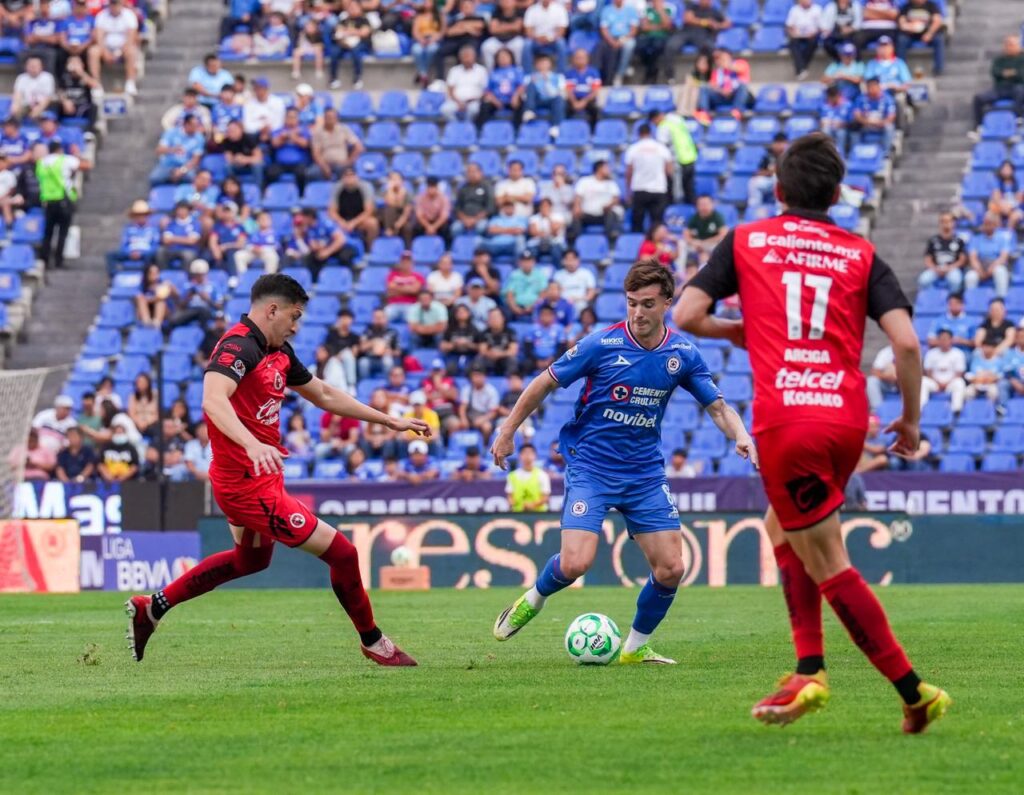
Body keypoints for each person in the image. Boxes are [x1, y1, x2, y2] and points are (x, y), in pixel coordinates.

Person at [674, 132, 951, 732]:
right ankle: (808, 667)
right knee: (784, 525)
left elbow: (685, 315)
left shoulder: (748, 240)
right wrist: (910, 419)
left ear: (778, 189)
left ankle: (913, 690)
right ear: (836, 194)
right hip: (846, 415)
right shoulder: (859, 251)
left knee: (827, 557)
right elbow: (905, 343)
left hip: (789, 418)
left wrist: (738, 332)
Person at [125, 273, 430, 667]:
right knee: (343, 553)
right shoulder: (238, 346)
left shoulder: (278, 351)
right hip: (246, 485)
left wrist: (387, 420)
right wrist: (251, 444)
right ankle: (373, 641)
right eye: (294, 315)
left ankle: (152, 607)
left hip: (259, 476)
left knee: (250, 561)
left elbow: (322, 393)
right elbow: (213, 401)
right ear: (272, 309)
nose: (296, 325)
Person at [493, 259, 754, 664]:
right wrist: (508, 430)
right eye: (631, 303)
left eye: (648, 304)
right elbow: (545, 380)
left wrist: (740, 435)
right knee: (576, 563)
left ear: (668, 302)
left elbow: (718, 407)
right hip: (592, 467)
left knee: (671, 568)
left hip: (644, 472)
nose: (637, 313)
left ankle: (634, 648)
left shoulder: (682, 353)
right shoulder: (602, 344)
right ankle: (534, 598)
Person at [37, 140, 82, 270]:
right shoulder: (64, 160)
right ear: (60, 150)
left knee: (48, 232)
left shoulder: (41, 163)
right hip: (63, 200)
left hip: (47, 201)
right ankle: (58, 260)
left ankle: (45, 259)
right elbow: (83, 165)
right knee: (62, 232)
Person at [624, 122, 673, 233]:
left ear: (639, 134)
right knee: (657, 224)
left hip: (639, 188)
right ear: (651, 133)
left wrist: (628, 191)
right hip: (658, 188)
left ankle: (637, 245)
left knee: (637, 222)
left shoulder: (633, 149)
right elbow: (669, 170)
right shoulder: (661, 148)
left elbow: (629, 172)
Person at [90, 0, 139, 95]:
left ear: (121, 4)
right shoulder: (102, 15)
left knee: (132, 51)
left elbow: (131, 38)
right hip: (106, 47)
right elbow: (99, 37)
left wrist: (119, 52)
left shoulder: (129, 15)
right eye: (112, 3)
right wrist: (105, 52)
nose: (114, 6)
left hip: (123, 48)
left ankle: (130, 83)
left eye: (116, 3)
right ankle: (96, 85)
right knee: (93, 51)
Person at [972, 35, 1024, 126]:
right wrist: (1013, 73)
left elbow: (1020, 75)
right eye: (1007, 44)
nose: (1009, 47)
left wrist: (1005, 73)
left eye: (1012, 44)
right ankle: (979, 126)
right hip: (1000, 88)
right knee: (979, 98)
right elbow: (995, 73)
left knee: (1021, 92)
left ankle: (1018, 118)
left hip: (1017, 87)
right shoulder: (999, 60)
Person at [651, 108, 698, 206]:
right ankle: (691, 210)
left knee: (676, 192)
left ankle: (676, 213)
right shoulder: (676, 119)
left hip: (678, 162)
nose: (655, 124)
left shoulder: (663, 127)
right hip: (690, 158)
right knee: (690, 190)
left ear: (656, 118)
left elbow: (662, 148)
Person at [572, 159, 622, 241]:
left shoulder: (611, 183)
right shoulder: (584, 181)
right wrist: (577, 207)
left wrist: (609, 205)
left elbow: (616, 199)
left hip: (604, 214)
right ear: (599, 169)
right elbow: (578, 197)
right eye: (606, 168)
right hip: (587, 213)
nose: (609, 170)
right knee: (576, 216)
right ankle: (578, 242)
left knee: (611, 215)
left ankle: (606, 242)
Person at [477, 46, 525, 129]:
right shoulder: (493, 73)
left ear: (511, 57)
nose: (503, 59)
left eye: (505, 56)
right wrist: (494, 100)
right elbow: (487, 90)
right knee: (484, 105)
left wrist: (516, 97)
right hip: (497, 101)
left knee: (521, 104)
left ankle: (517, 131)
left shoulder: (517, 70)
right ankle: (481, 131)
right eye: (500, 57)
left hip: (512, 99)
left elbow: (521, 86)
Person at [918, 211, 966, 292]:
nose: (945, 224)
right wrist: (935, 269)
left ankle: (952, 301)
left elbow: (962, 260)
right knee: (924, 280)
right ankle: (931, 301)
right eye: (943, 221)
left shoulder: (959, 240)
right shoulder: (933, 240)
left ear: (953, 223)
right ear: (939, 223)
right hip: (936, 268)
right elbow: (927, 259)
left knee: (955, 280)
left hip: (952, 268)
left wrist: (950, 268)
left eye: (948, 221)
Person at [965, 212, 1011, 298]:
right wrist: (979, 270)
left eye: (989, 223)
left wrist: (992, 267)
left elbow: (1003, 257)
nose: (987, 226)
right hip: (980, 266)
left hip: (996, 265)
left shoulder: (1002, 238)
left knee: (1000, 272)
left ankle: (1001, 299)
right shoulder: (976, 239)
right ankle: (972, 301)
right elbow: (973, 258)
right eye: (985, 224)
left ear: (995, 224)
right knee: (970, 277)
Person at [329, 0, 372, 90]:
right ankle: (333, 78)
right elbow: (338, 32)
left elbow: (364, 33)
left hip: (360, 43)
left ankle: (357, 78)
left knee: (356, 52)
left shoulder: (364, 20)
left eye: (354, 7)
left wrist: (349, 32)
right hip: (344, 43)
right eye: (350, 7)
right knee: (334, 52)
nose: (352, 9)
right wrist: (345, 37)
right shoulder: (344, 20)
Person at [594, 0, 639, 86]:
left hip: (625, 37)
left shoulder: (631, 10)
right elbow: (604, 29)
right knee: (601, 47)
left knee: (630, 45)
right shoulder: (606, 10)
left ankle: (620, 74)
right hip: (611, 37)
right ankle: (598, 77)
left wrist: (622, 40)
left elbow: (634, 30)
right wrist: (612, 41)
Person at [896, 0, 944, 76]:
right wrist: (910, 27)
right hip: (910, 34)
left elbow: (937, 21)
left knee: (938, 39)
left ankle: (938, 68)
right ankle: (901, 69)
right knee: (901, 40)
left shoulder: (931, 5)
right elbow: (902, 23)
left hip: (927, 33)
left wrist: (929, 34)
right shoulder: (906, 7)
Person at [850, 76, 896, 153]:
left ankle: (886, 154)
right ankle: (856, 152)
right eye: (869, 87)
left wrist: (881, 123)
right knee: (854, 127)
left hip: (881, 124)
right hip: (865, 124)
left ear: (878, 87)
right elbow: (856, 115)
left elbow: (891, 116)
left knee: (889, 127)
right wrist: (866, 122)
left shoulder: (888, 99)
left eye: (873, 86)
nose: (872, 89)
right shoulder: (860, 98)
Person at [522, 54, 566, 135]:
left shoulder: (558, 77)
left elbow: (558, 94)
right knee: (531, 85)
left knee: (559, 99)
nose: (543, 65)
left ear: (550, 64)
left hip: (551, 101)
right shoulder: (529, 77)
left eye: (545, 62)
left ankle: (555, 126)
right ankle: (529, 111)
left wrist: (547, 82)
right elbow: (524, 96)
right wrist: (533, 82)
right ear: (536, 65)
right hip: (536, 101)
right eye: (540, 62)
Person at [442, 46, 488, 121]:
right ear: (460, 58)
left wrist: (473, 100)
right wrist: (458, 102)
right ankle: (456, 126)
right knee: (445, 110)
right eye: (464, 57)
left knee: (474, 110)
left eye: (469, 56)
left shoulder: (481, 70)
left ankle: (468, 126)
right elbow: (450, 89)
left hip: (474, 101)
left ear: (474, 57)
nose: (467, 59)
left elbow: (485, 90)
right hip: (456, 101)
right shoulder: (454, 70)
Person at [452, 162, 496, 238]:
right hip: (464, 220)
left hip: (481, 219)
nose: (471, 174)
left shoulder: (487, 187)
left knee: (481, 228)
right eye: (469, 172)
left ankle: (479, 248)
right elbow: (457, 207)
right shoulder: (463, 188)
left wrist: (475, 220)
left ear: (481, 173)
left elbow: (490, 208)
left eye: (474, 171)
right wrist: (465, 219)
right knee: (455, 228)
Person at [503, 443, 551, 511]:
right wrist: (511, 502)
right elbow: (510, 496)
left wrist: (532, 505)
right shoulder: (512, 476)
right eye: (524, 453)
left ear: (535, 456)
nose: (527, 456)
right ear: (519, 456)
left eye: (530, 453)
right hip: (517, 514)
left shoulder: (543, 475)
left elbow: (545, 498)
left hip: (539, 514)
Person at [459, 364, 500, 441]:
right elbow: (463, 407)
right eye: (474, 376)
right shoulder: (467, 389)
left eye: (479, 376)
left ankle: (485, 448)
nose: (476, 378)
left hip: (484, 416)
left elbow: (493, 412)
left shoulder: (491, 391)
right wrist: (463, 419)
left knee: (487, 427)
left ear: (484, 377)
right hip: (470, 416)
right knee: (455, 425)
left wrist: (482, 419)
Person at [684, 195, 728, 267]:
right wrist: (693, 242)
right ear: (697, 206)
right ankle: (682, 272)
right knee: (682, 245)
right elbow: (686, 234)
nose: (704, 207)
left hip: (712, 244)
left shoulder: (717, 217)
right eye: (701, 204)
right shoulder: (694, 217)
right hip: (697, 244)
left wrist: (705, 243)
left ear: (712, 205)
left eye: (706, 204)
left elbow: (723, 234)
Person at [564, 49, 602, 130]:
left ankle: (593, 132)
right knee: (564, 108)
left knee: (595, 110)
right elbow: (569, 90)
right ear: (573, 59)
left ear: (587, 59)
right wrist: (574, 102)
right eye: (577, 58)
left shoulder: (594, 72)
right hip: (574, 99)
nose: (580, 60)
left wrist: (584, 102)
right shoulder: (569, 73)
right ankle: (565, 131)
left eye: (582, 58)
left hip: (588, 99)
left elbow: (595, 91)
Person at [358, 308, 401, 378]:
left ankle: (387, 385)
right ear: (372, 319)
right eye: (376, 318)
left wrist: (390, 352)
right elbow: (361, 348)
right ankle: (364, 385)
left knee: (388, 362)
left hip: (385, 358)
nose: (378, 320)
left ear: (385, 318)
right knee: (363, 362)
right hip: (370, 358)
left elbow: (398, 352)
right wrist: (373, 342)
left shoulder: (393, 332)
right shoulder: (367, 332)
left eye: (380, 317)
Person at [786, 0, 823, 80]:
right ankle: (802, 68)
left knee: (813, 43)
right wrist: (793, 33)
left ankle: (800, 68)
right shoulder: (794, 9)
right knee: (792, 43)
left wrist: (813, 34)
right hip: (798, 36)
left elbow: (821, 27)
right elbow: (789, 26)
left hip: (812, 36)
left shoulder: (817, 9)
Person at [553, 249, 597, 315]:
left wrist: (581, 299)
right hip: (563, 306)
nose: (570, 262)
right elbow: (555, 293)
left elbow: (591, 293)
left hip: (581, 305)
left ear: (578, 260)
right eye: (567, 259)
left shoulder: (586, 274)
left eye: (573, 259)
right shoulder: (558, 275)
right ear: (563, 261)